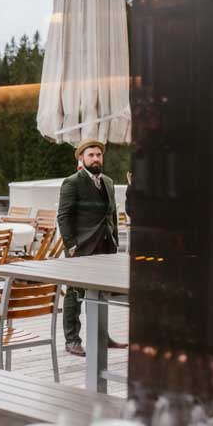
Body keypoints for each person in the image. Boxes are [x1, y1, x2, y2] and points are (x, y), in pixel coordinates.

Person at [57, 138, 127, 357]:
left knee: (101, 294)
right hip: (81, 248)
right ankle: (72, 340)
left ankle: (101, 337)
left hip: (105, 245)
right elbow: (63, 216)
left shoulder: (108, 181)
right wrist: (71, 245)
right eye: (91, 155)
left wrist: (115, 241)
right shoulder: (72, 182)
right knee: (74, 293)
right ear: (81, 158)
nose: (96, 158)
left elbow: (112, 214)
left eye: (99, 155)